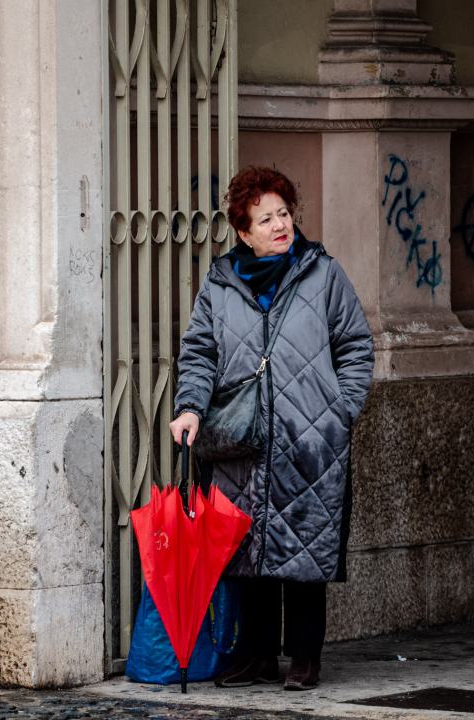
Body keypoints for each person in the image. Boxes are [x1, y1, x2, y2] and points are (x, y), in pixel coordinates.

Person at [170, 166, 375, 691]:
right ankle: (258, 655)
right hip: (242, 438)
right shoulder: (221, 283)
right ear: (244, 231)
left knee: (305, 551)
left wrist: (340, 410)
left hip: (311, 439)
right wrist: (191, 406)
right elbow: (198, 352)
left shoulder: (322, 274)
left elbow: (355, 344)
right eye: (266, 219)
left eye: (284, 213)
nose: (280, 225)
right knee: (248, 549)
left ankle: (305, 657)